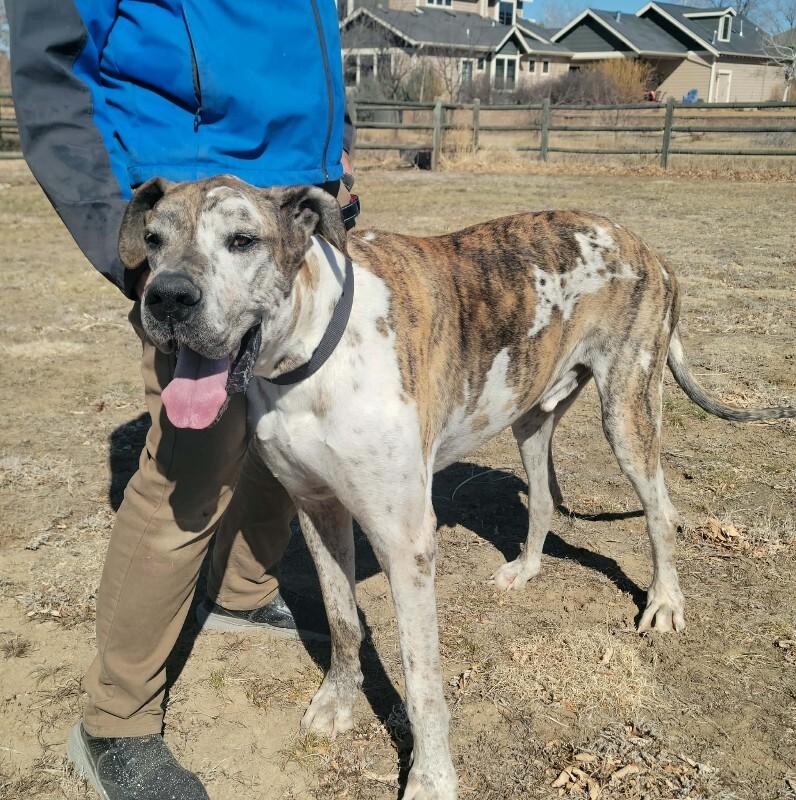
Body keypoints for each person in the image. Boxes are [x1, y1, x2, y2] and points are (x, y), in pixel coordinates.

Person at [7, 2, 356, 798]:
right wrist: (119, 237)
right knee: (187, 470)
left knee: (282, 425)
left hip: (296, 206)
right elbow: (47, 64)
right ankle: (113, 722)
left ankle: (242, 592)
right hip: (188, 195)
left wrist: (333, 170)